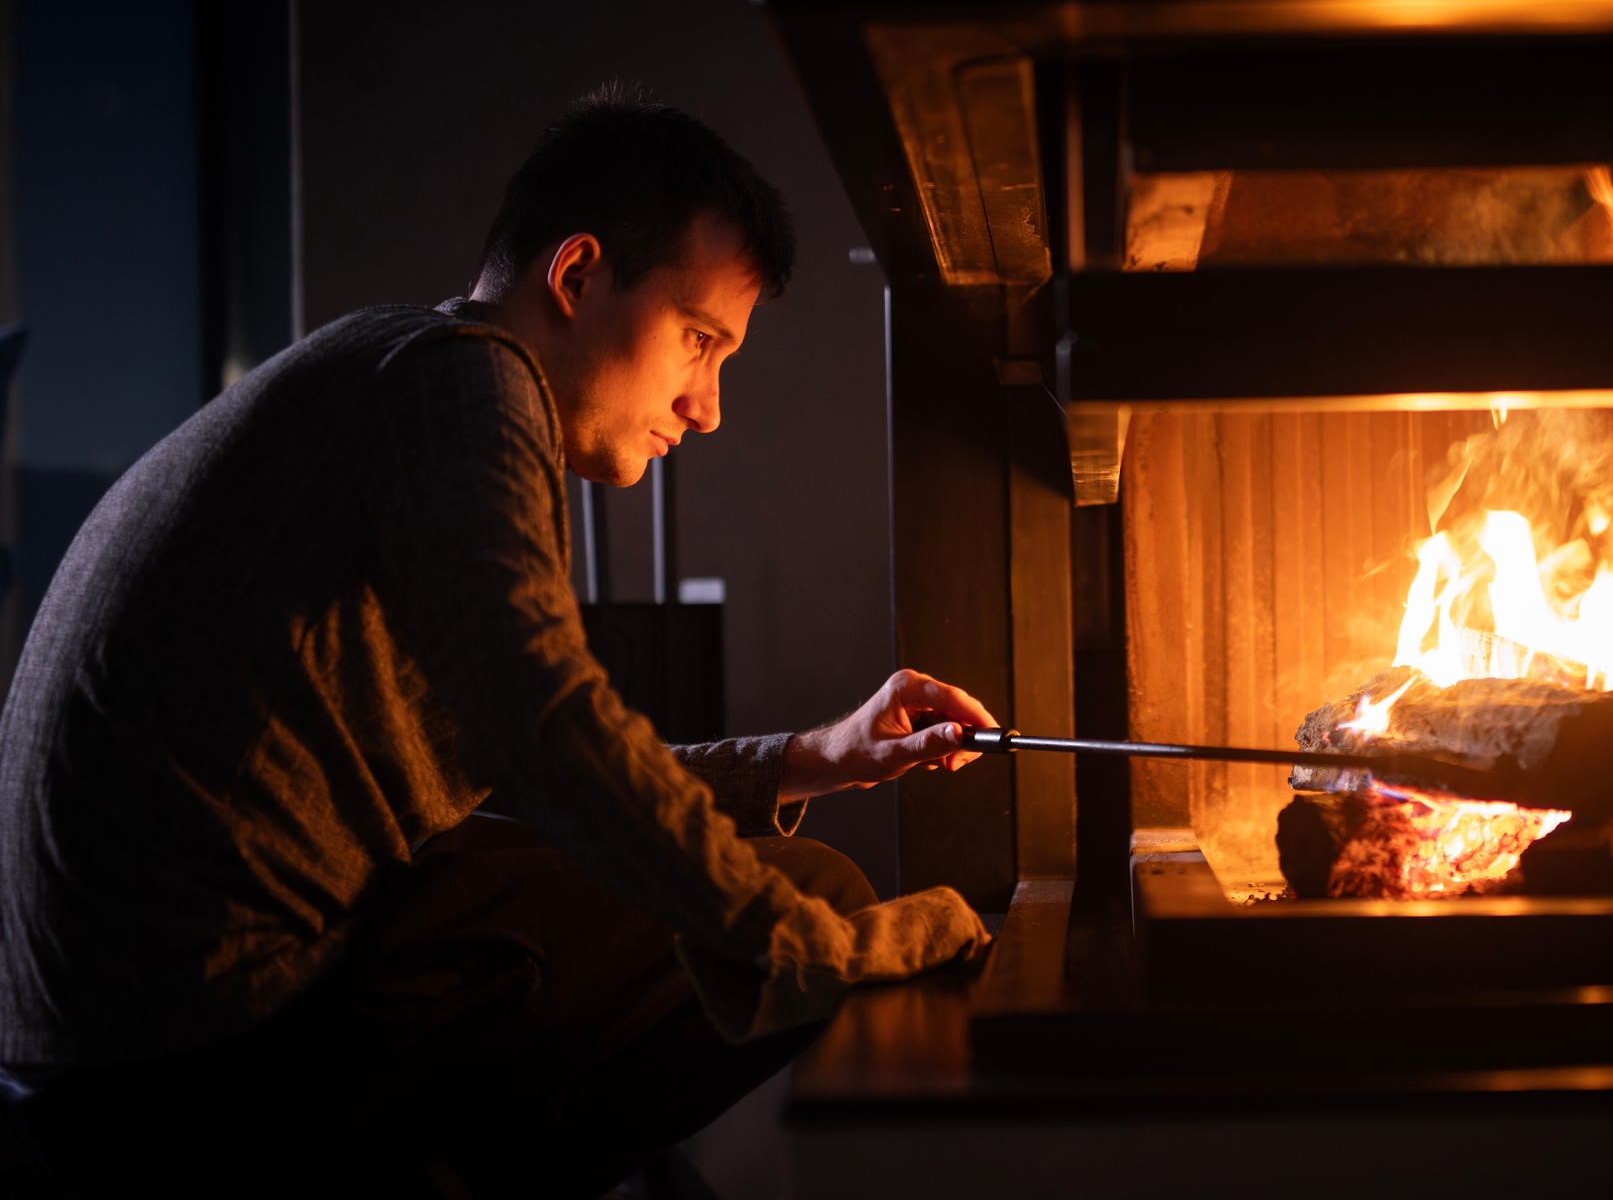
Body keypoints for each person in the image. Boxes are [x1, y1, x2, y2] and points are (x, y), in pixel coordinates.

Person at [0, 87, 995, 1197]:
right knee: (815, 895)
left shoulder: (389, 377)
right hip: (197, 1042)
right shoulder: (462, 378)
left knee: (760, 885)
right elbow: (542, 721)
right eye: (699, 340)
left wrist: (813, 755)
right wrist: (790, 942)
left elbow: (518, 782)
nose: (708, 406)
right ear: (575, 277)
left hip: (102, 1039)